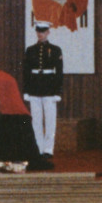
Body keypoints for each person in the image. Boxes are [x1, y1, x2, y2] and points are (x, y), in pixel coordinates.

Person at [22, 21, 63, 168]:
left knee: (50, 120)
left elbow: (59, 72)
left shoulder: (56, 50)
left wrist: (57, 91)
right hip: (34, 87)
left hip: (49, 87)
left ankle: (48, 149)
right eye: (39, 31)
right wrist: (26, 91)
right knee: (36, 120)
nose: (41, 34)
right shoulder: (30, 50)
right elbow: (26, 72)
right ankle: (38, 148)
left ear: (48, 32)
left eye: (43, 31)